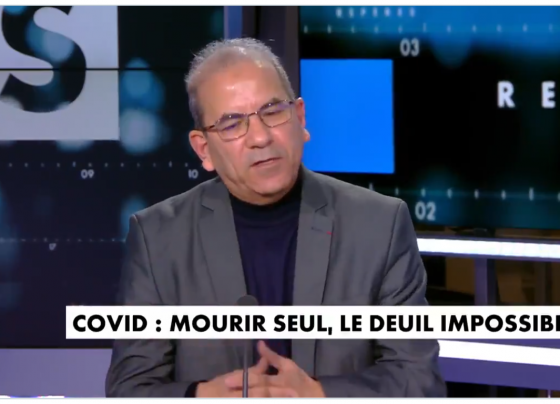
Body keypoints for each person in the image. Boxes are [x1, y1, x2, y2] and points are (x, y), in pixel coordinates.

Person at [105, 37, 446, 398]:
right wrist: (201, 396)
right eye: (232, 124)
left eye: (272, 112)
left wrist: (318, 394)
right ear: (204, 149)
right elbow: (130, 388)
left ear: (300, 118)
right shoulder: (158, 237)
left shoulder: (379, 225)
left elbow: (419, 381)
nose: (260, 137)